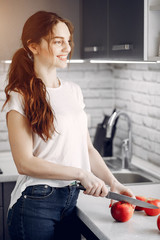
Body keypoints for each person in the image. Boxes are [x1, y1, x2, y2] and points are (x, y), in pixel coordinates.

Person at [2, 11, 134, 240]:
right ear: (33, 46)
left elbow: (88, 150)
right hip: (35, 204)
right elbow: (24, 163)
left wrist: (113, 183)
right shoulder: (20, 96)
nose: (67, 48)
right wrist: (80, 174)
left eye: (68, 42)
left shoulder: (73, 91)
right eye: (58, 42)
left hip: (70, 201)